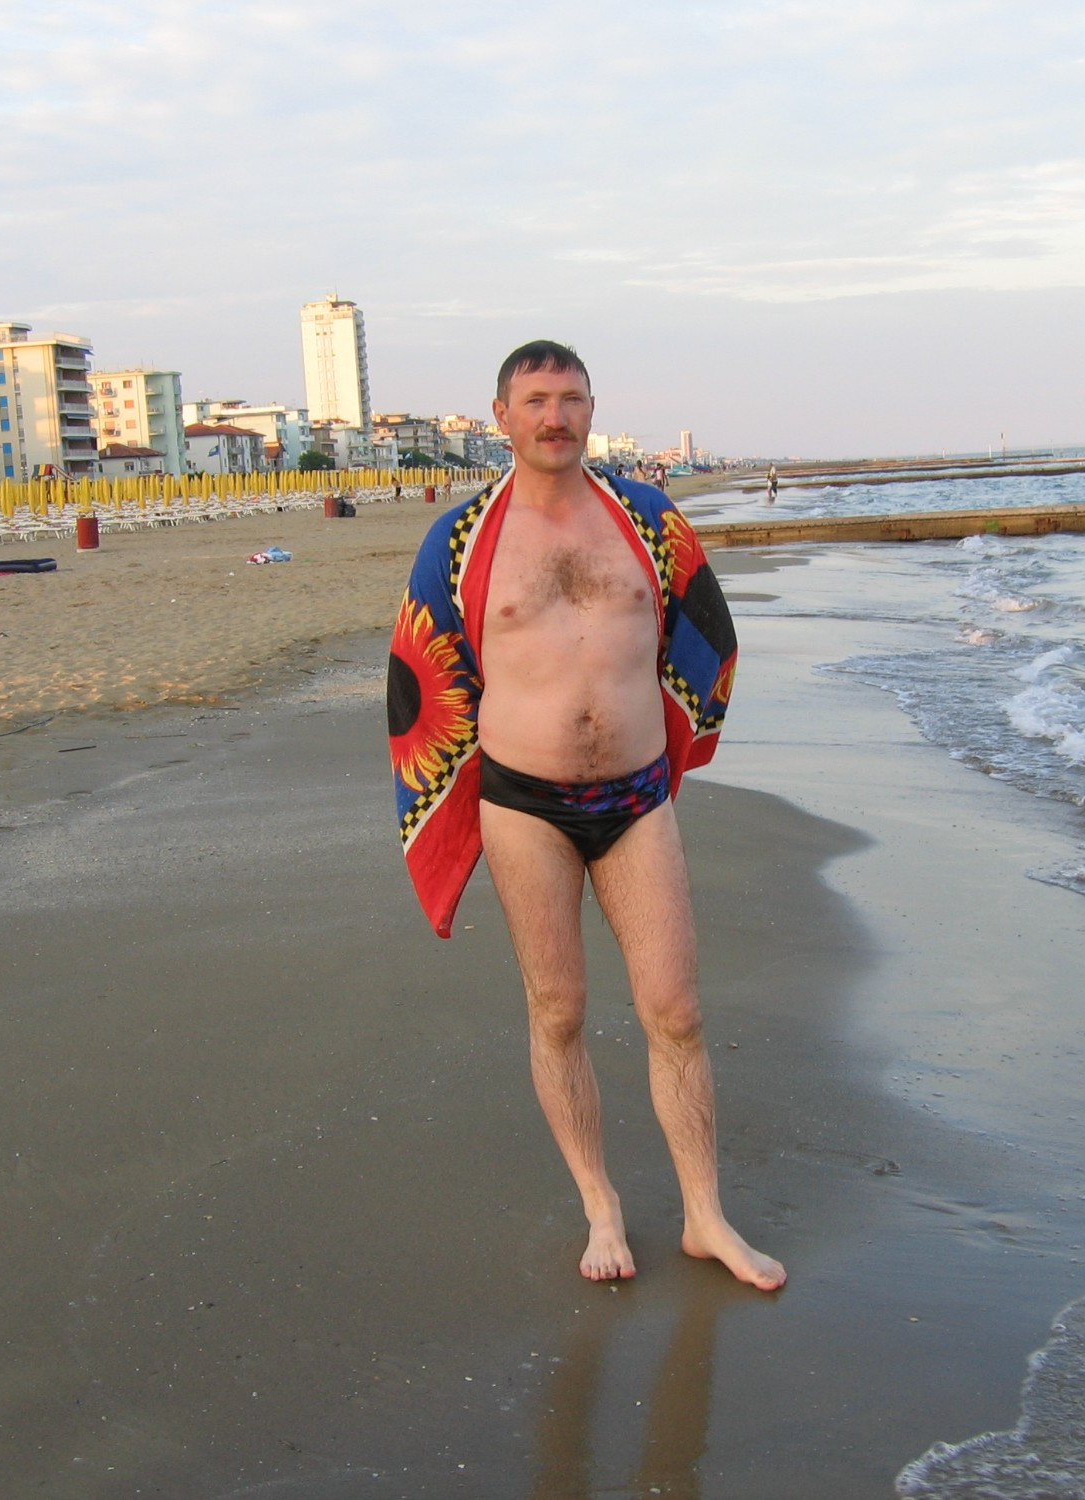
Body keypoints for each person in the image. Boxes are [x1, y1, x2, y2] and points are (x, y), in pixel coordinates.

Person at [386, 340, 784, 1291]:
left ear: (592, 407)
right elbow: (423, 676)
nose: (554, 416)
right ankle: (600, 1205)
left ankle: (704, 1217)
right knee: (559, 1010)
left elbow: (707, 631)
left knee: (675, 1011)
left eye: (570, 398)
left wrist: (677, 739)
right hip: (525, 805)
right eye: (536, 401)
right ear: (502, 416)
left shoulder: (646, 519)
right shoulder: (459, 538)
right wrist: (443, 811)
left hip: (638, 799)